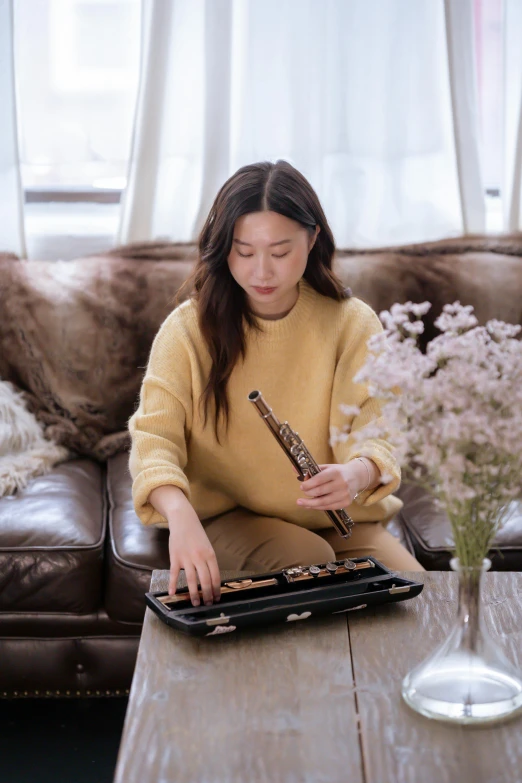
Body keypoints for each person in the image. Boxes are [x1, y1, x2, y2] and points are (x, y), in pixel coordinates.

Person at [128, 160, 424, 608]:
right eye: (243, 252)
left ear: (312, 240)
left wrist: (356, 473)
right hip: (229, 517)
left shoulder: (352, 323)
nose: (261, 272)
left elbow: (379, 426)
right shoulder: (187, 330)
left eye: (280, 252)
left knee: (414, 597)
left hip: (338, 521)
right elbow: (154, 438)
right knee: (308, 561)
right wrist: (179, 514)